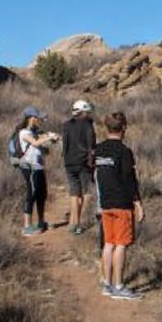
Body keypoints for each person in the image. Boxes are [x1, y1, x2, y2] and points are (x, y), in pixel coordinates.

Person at [94, 111, 145, 300]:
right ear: (123, 128)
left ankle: (106, 284)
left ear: (106, 128)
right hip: (122, 203)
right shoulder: (124, 152)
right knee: (121, 245)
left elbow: (96, 175)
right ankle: (119, 286)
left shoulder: (98, 150)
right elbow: (130, 180)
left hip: (105, 203)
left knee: (108, 243)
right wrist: (138, 203)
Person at [16, 106, 59, 236]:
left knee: (42, 194)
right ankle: (26, 225)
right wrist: (48, 137)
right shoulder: (24, 132)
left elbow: (41, 146)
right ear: (30, 118)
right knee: (32, 193)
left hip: (38, 166)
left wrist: (51, 140)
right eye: (36, 117)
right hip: (29, 167)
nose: (39, 119)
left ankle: (41, 221)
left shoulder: (35, 132)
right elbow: (35, 143)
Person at [61, 99, 97, 235]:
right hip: (83, 163)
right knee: (87, 192)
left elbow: (65, 144)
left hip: (69, 162)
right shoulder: (88, 125)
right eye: (87, 112)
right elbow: (91, 145)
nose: (88, 114)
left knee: (74, 193)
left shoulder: (66, 125)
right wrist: (93, 160)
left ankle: (73, 222)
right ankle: (80, 222)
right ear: (82, 112)